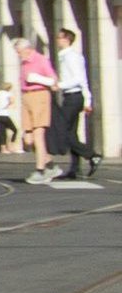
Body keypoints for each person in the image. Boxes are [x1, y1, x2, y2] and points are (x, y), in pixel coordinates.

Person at [52, 24, 94, 181]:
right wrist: (87, 100)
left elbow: (79, 79)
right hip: (72, 96)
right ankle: (74, 169)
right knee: (71, 133)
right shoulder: (65, 56)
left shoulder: (71, 57)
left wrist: (59, 85)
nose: (57, 40)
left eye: (59, 37)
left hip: (73, 97)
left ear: (67, 40)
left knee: (62, 130)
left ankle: (92, 155)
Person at [18, 30, 58, 183]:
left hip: (39, 95)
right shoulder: (24, 62)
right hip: (26, 97)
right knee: (28, 139)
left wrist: (37, 79)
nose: (18, 55)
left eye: (19, 52)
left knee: (38, 135)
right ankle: (50, 164)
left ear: (27, 49)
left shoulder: (40, 60)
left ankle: (40, 170)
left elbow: (53, 81)